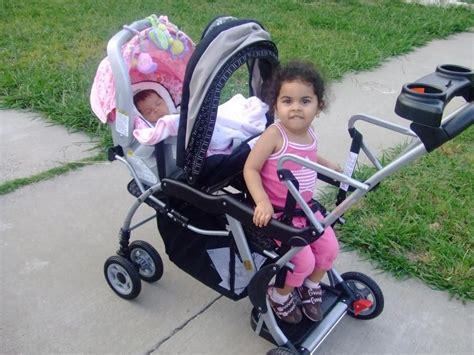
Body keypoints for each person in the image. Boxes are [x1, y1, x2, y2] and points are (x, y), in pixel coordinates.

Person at [243, 60, 340, 324]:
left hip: (306, 210)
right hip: (279, 216)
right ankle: (280, 295)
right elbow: (251, 168)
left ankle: (309, 287)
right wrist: (261, 201)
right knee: (303, 261)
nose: (296, 107)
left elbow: (308, 156)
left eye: (305, 101)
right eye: (287, 101)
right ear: (276, 105)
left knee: (330, 249)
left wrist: (328, 165)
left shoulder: (310, 132)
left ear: (319, 106)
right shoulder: (275, 135)